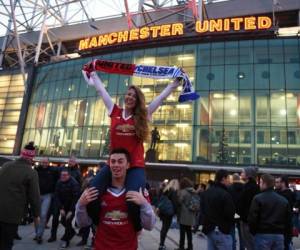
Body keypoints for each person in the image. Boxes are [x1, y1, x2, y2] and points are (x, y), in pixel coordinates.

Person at [82, 65, 181, 230]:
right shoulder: (113, 111)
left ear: (137, 100)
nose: (129, 97)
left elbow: (161, 98)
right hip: (113, 164)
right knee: (91, 193)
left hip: (135, 167)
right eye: (128, 94)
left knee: (133, 200)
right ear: (124, 96)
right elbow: (101, 91)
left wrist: (174, 84)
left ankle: (135, 230)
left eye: (133, 96)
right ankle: (98, 226)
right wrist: (92, 72)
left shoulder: (143, 116)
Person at [75, 148, 156, 250]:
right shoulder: (98, 192)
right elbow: (82, 223)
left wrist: (144, 204)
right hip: (101, 246)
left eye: (120, 161)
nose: (116, 165)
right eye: (113, 161)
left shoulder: (138, 192)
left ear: (128, 165)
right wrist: (80, 204)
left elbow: (150, 226)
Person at [0, 142, 41, 250]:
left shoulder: (5, 166)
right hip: (12, 215)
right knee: (6, 244)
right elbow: (34, 197)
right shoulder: (31, 173)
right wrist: (37, 215)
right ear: (31, 158)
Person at [248, 174, 292, 250]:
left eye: (261, 182)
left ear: (265, 184)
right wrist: (286, 236)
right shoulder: (283, 201)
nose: (259, 185)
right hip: (279, 234)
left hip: (262, 233)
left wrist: (254, 231)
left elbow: (252, 217)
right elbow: (288, 221)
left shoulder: (258, 198)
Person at [201, 169, 235, 250]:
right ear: (223, 179)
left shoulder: (206, 192)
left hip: (209, 229)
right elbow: (230, 213)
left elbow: (202, 210)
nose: (229, 181)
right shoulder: (225, 194)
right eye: (228, 178)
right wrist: (237, 217)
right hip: (221, 230)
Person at [35, 158, 59, 244]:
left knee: (43, 214)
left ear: (49, 163)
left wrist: (54, 192)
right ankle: (37, 233)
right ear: (41, 162)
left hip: (47, 195)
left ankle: (39, 235)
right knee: (35, 215)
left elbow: (58, 180)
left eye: (46, 162)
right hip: (37, 194)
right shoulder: (36, 170)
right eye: (43, 162)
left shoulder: (53, 171)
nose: (44, 163)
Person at [55, 168, 81, 249]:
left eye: (65, 175)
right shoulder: (59, 182)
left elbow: (75, 198)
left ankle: (66, 241)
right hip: (63, 205)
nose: (63, 176)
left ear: (69, 175)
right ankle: (72, 232)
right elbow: (57, 195)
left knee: (68, 221)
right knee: (63, 221)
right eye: (62, 175)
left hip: (72, 206)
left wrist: (71, 211)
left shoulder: (74, 184)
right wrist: (61, 208)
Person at [238, 167, 260, 250]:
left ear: (248, 175)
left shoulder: (250, 188)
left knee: (250, 244)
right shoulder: (249, 187)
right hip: (247, 220)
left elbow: (244, 205)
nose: (241, 174)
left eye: (243, 172)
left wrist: (238, 216)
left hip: (248, 221)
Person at [176, 177, 198, 250]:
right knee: (189, 232)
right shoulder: (193, 191)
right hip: (191, 215)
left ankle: (181, 247)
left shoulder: (183, 192)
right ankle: (190, 247)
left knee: (182, 232)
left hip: (184, 215)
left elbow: (179, 201)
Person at [157, 179, 179, 250]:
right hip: (169, 212)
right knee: (165, 228)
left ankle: (161, 244)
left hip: (163, 211)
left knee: (164, 227)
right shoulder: (174, 191)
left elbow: (159, 199)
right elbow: (175, 203)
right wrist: (175, 212)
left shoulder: (165, 190)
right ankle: (161, 244)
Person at [275, 176, 296, 250]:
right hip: (283, 225)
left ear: (283, 183)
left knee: (285, 245)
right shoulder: (278, 193)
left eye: (277, 182)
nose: (275, 184)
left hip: (285, 225)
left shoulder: (287, 194)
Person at [228, 173, 245, 250]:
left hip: (232, 212)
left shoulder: (229, 188)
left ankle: (233, 248)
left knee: (232, 232)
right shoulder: (244, 187)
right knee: (242, 233)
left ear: (233, 179)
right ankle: (242, 248)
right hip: (241, 212)